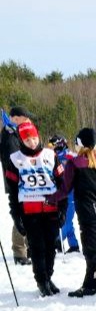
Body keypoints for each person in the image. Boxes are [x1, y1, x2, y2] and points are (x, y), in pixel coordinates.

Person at [46, 128, 96, 302]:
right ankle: (90, 285)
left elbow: (65, 190)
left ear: (80, 144)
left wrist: (50, 199)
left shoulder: (75, 164)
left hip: (89, 214)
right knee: (92, 250)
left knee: (91, 252)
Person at [5, 119, 62, 295]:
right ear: (22, 140)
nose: (32, 142)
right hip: (30, 211)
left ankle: (49, 276)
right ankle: (41, 280)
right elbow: (13, 191)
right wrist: (16, 215)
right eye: (28, 140)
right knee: (37, 247)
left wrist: (63, 209)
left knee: (51, 247)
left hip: (51, 209)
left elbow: (62, 184)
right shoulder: (15, 159)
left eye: (34, 138)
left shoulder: (50, 155)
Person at [3, 106, 33, 265]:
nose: (27, 120)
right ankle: (20, 252)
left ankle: (27, 248)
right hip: (16, 182)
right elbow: (14, 160)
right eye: (25, 117)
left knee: (26, 214)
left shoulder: (16, 133)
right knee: (20, 215)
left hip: (24, 181)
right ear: (15, 118)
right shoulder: (10, 136)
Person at [49, 135, 80, 254]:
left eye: (54, 144)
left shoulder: (70, 156)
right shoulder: (52, 157)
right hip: (60, 192)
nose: (52, 147)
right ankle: (74, 244)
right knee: (67, 220)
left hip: (71, 193)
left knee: (67, 219)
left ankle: (57, 240)